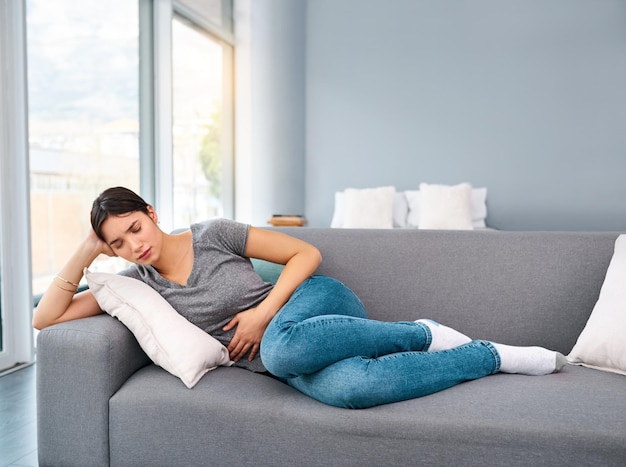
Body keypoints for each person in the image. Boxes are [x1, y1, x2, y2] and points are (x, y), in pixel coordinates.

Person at [33, 187, 567, 409]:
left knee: (283, 348)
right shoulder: (138, 285)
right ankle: (488, 356)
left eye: (133, 227)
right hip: (280, 362)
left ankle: (420, 333)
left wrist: (264, 315)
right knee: (353, 390)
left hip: (313, 305)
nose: (134, 245)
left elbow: (305, 254)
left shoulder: (213, 233)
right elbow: (45, 319)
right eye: (118, 242)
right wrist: (85, 249)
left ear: (149, 212)